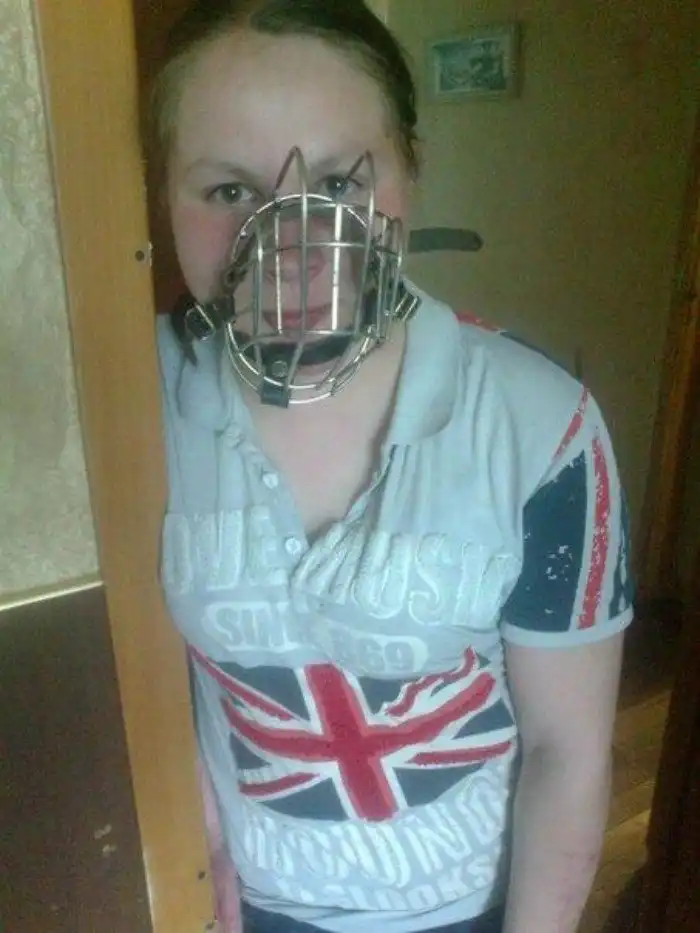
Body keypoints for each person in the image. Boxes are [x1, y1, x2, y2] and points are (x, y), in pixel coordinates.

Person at [149, 2, 634, 931]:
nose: (293, 247)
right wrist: (196, 844)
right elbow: (137, 675)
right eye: (229, 189)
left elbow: (567, 751)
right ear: (164, 195)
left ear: (409, 169)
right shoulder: (133, 407)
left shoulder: (541, 427)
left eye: (338, 181)